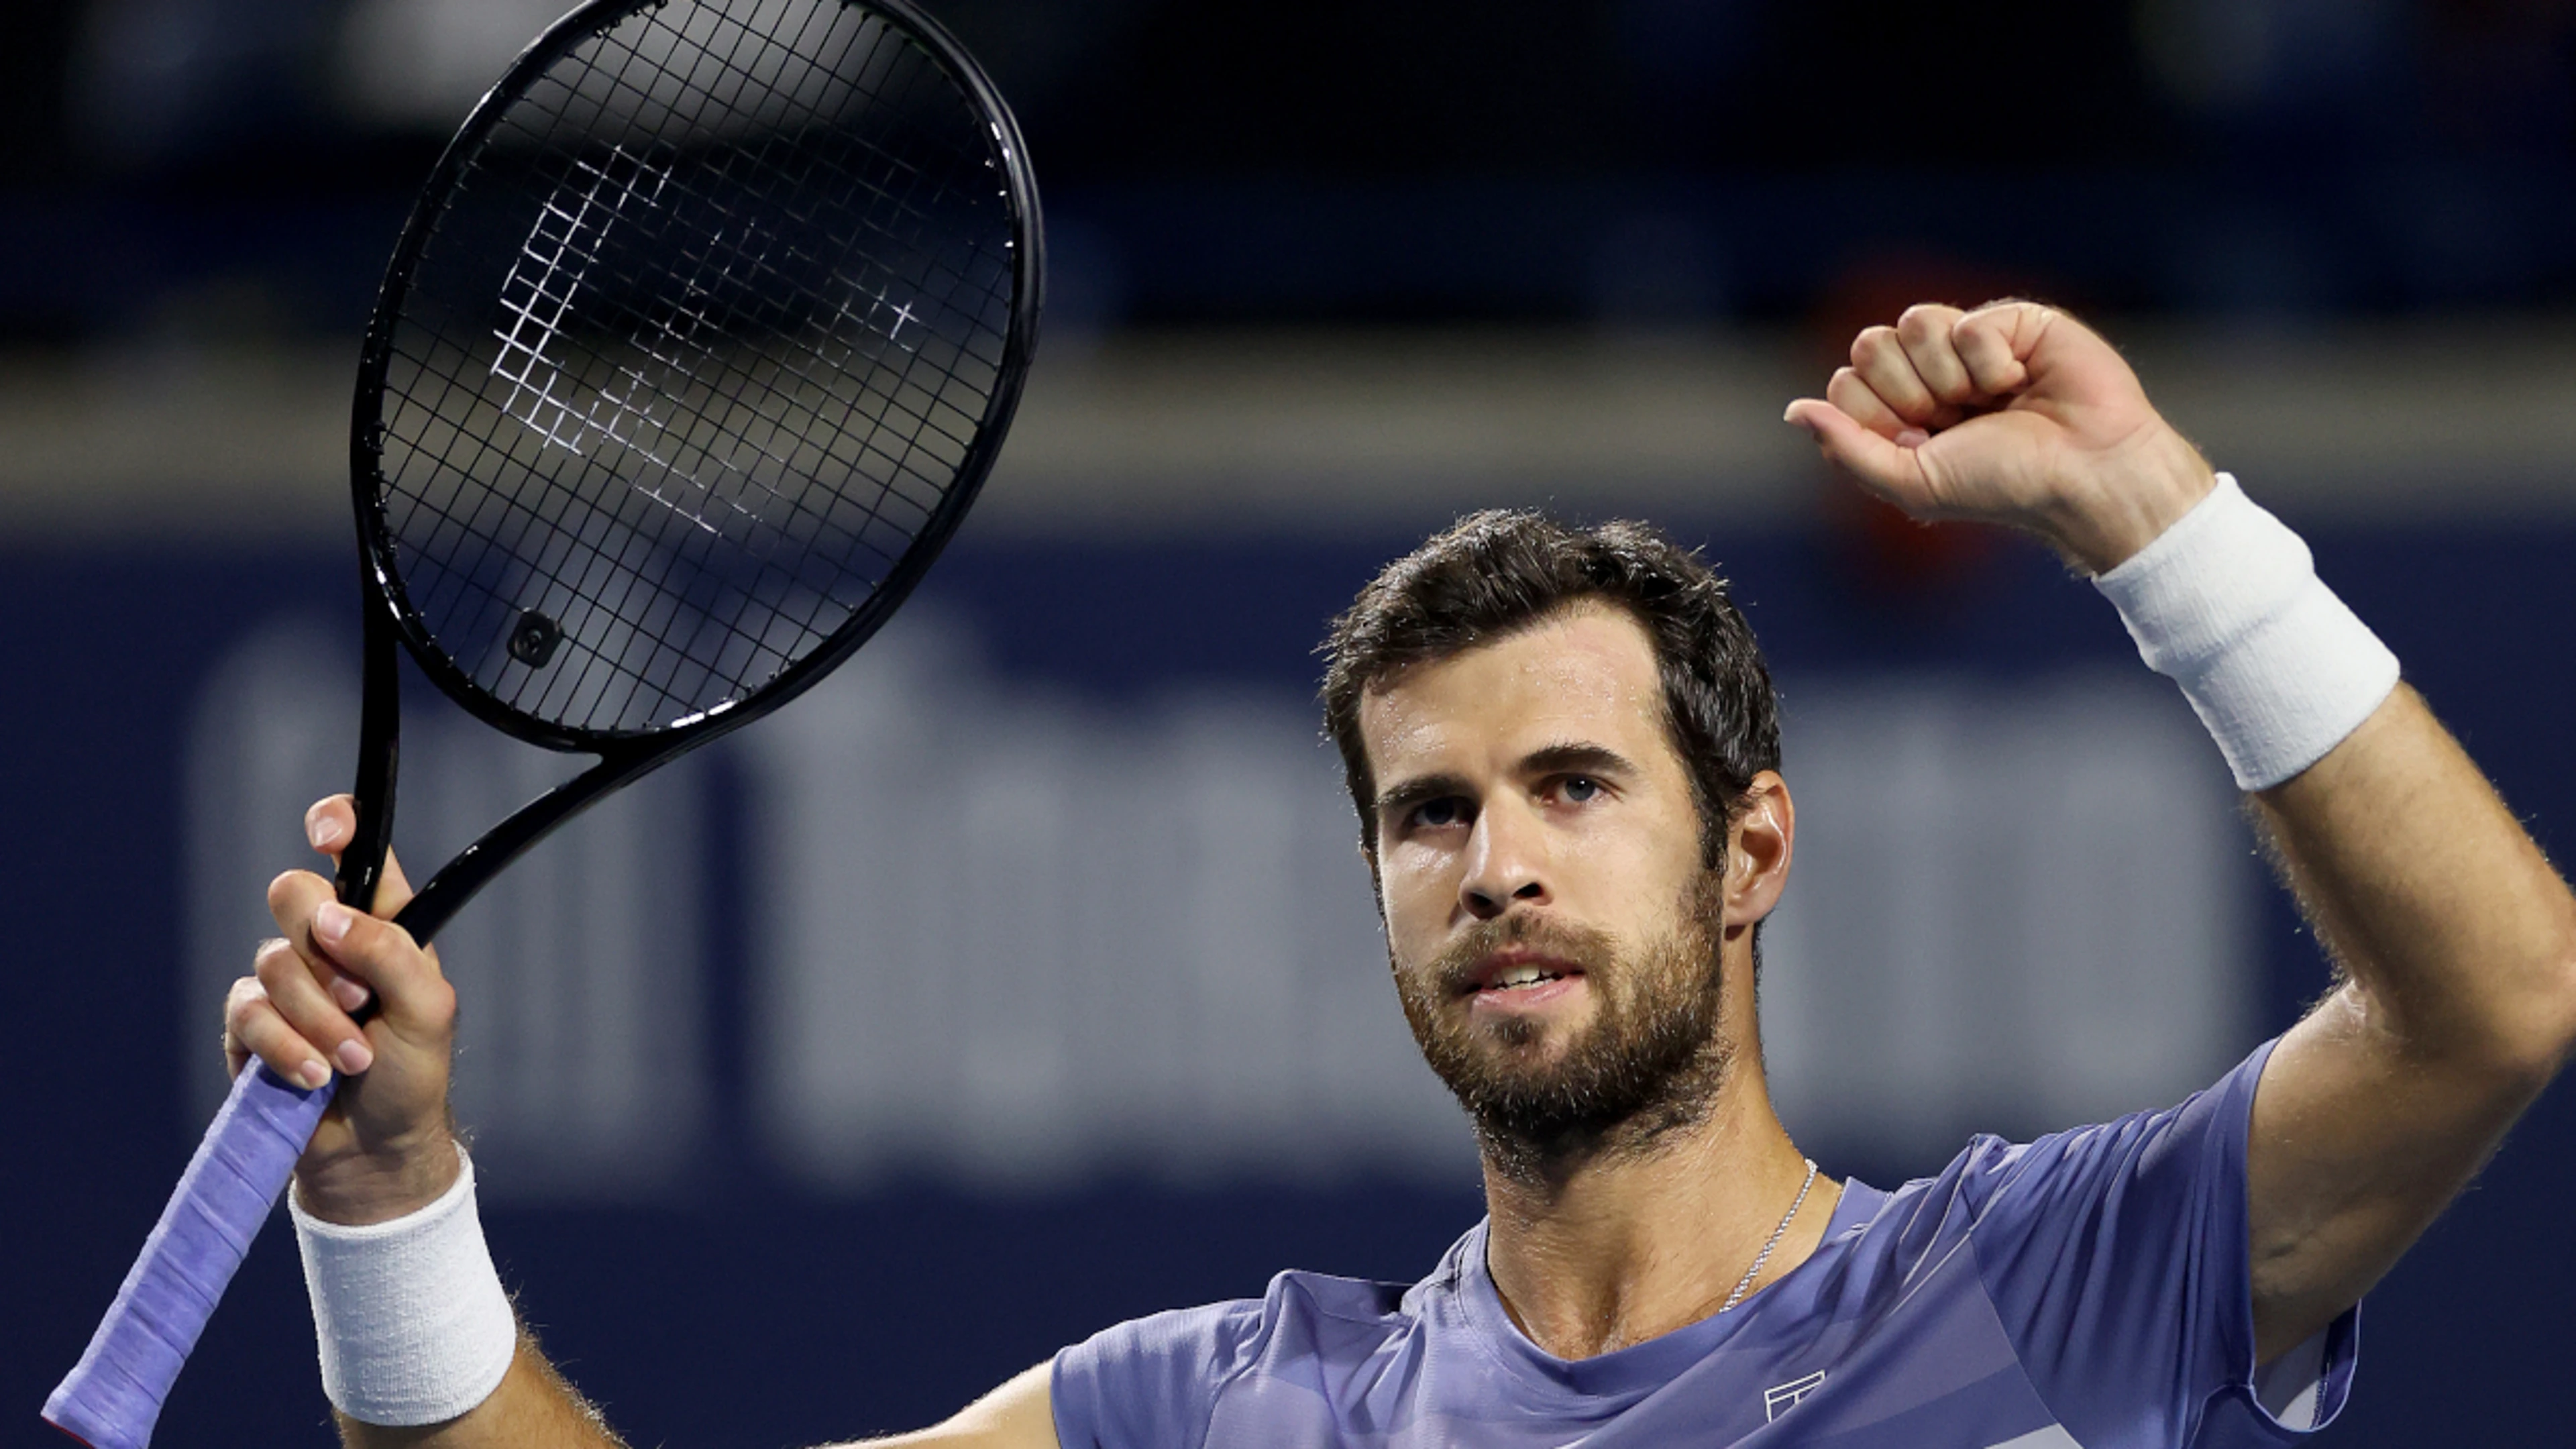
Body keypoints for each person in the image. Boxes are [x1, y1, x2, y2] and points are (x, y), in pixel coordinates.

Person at [226, 301, 2576, 1448]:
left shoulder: (2058, 1286)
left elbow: (2496, 1001)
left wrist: (2152, 514)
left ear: (1752, 846)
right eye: (1429, 816)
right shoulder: (1238, 1410)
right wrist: (392, 1190)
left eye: (1575, 789)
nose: (1496, 867)